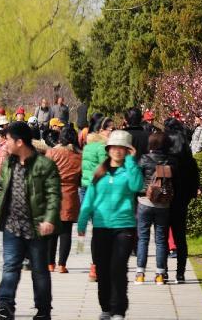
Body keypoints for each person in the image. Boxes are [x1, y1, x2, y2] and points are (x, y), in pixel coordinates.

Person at [0, 121, 60, 320]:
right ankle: (5, 305)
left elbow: (54, 195)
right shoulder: (9, 162)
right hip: (12, 225)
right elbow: (1, 187)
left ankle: (43, 311)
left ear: (19, 142)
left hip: (37, 227)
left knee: (39, 271)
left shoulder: (45, 164)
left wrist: (49, 219)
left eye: (8, 139)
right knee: (10, 266)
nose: (5, 143)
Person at [77, 130, 143, 320]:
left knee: (118, 268)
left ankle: (118, 310)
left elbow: (137, 186)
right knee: (103, 269)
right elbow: (89, 199)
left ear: (127, 150)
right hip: (101, 227)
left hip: (124, 227)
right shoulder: (99, 172)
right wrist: (82, 222)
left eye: (122, 148)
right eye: (114, 147)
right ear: (108, 149)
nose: (117, 151)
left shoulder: (130, 170)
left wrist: (131, 161)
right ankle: (106, 307)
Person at [135, 132, 177, 285]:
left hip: (145, 202)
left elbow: (138, 180)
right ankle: (160, 274)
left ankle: (140, 273)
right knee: (161, 240)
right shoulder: (170, 161)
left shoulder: (144, 159)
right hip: (163, 204)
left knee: (143, 239)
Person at [164, 116, 200, 284]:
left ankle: (162, 271)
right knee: (180, 237)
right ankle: (180, 273)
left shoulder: (165, 161)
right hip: (182, 200)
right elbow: (195, 182)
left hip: (165, 201)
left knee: (162, 236)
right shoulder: (189, 161)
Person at [80, 117, 114, 281]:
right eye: (109, 129)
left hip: (87, 189)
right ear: (101, 130)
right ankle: (98, 266)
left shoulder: (87, 147)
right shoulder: (101, 147)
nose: (111, 132)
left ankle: (95, 267)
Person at [44, 126, 82, 274]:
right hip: (70, 195)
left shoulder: (52, 153)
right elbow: (81, 178)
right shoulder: (79, 157)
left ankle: (50, 264)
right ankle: (62, 265)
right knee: (66, 231)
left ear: (61, 138)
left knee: (51, 232)